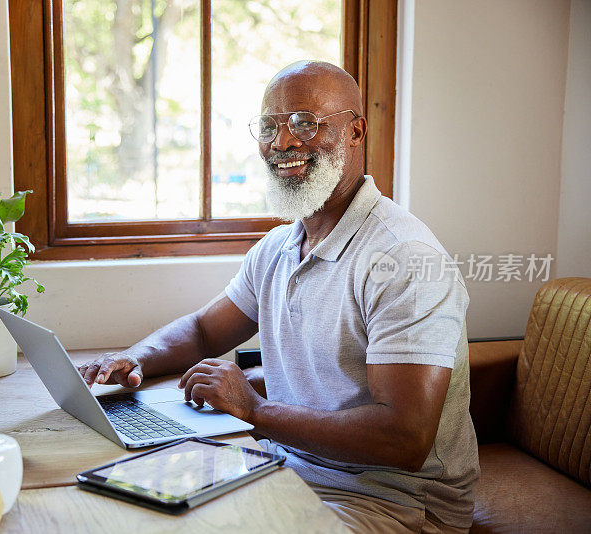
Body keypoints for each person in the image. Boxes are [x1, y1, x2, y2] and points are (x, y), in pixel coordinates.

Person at [78, 61, 479, 533]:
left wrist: (254, 409)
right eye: (269, 127)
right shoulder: (278, 247)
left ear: (356, 131)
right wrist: (133, 358)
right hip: (283, 463)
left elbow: (404, 438)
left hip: (389, 501)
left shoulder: (402, 257)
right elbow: (206, 330)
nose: (283, 143)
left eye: (306, 124)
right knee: (122, 503)